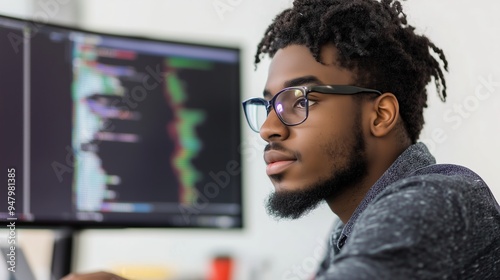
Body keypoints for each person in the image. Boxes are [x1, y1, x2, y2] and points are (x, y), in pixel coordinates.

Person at [64, 0, 500, 279]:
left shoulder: (440, 199)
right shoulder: (353, 224)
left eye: (297, 101)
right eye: (268, 105)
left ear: (380, 114)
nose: (270, 128)